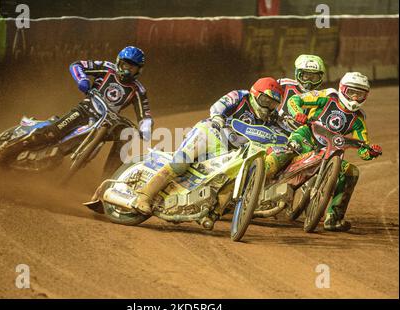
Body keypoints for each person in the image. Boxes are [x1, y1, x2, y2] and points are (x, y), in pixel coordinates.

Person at [0, 46, 153, 177]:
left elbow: (145, 114)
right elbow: (77, 65)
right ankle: (6, 151)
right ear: (119, 62)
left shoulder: (138, 90)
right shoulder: (106, 68)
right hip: (85, 110)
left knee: (126, 135)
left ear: (138, 70)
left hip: (106, 123)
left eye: (132, 67)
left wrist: (145, 129)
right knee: (52, 133)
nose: (127, 69)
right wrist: (82, 79)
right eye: (125, 65)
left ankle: (108, 181)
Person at [133, 77, 284, 215]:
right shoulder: (239, 96)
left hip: (232, 151)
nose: (268, 107)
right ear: (255, 94)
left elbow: (283, 131)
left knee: (227, 179)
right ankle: (145, 196)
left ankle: (211, 208)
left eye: (273, 104)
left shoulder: (273, 117)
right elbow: (219, 106)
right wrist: (218, 117)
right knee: (180, 164)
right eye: (265, 100)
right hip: (211, 133)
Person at [265, 72, 382, 231]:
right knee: (288, 151)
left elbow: (363, 149)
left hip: (330, 152)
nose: (354, 98)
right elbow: (295, 100)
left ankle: (334, 218)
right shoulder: (328, 97)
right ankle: (261, 179)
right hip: (307, 136)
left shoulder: (359, 120)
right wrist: (297, 113)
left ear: (365, 96)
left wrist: (371, 152)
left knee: (351, 172)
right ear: (342, 89)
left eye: (359, 94)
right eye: (351, 92)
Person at [276, 54, 326, 132]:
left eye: (314, 78)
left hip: (300, 138)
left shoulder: (322, 97)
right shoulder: (284, 84)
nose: (309, 82)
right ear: (298, 74)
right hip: (274, 128)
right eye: (306, 77)